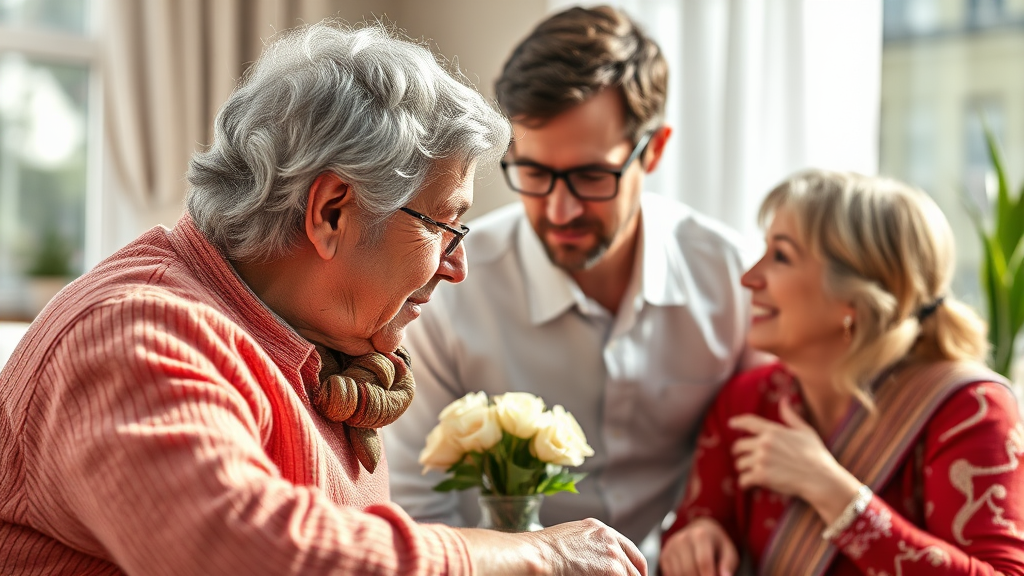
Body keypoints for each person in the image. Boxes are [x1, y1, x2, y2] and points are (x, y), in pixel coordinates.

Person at [0, 21, 649, 576]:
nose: (457, 267)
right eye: (444, 225)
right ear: (332, 211)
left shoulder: (311, 345)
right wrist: (535, 557)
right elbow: (262, 554)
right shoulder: (135, 333)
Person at [384, 4, 752, 554]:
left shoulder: (730, 279)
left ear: (653, 150)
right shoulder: (445, 291)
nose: (558, 210)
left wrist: (711, 525)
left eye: (589, 176)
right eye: (533, 173)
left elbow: (755, 457)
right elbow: (416, 506)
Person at [660, 169, 1024, 576]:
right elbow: (690, 530)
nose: (748, 278)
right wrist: (694, 541)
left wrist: (831, 489)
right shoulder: (746, 402)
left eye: (780, 256)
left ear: (853, 298)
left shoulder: (969, 410)